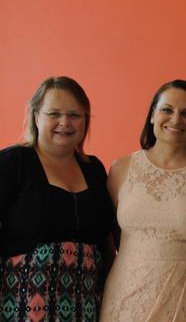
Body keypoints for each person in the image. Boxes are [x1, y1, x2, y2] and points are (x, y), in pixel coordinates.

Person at [99, 79, 186, 321]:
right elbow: (113, 239)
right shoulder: (121, 169)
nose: (176, 120)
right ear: (152, 115)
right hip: (125, 299)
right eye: (167, 110)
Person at [0, 76, 114, 321]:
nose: (65, 122)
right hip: (22, 304)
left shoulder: (94, 169)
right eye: (54, 114)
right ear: (36, 116)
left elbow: (106, 240)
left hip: (86, 305)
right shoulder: (13, 163)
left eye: (74, 115)